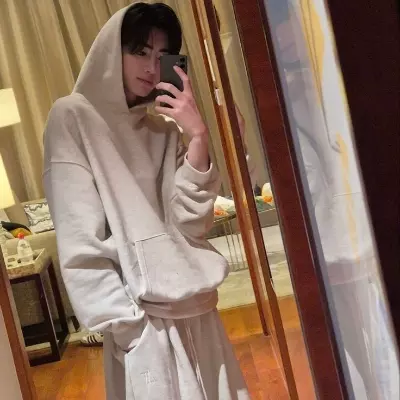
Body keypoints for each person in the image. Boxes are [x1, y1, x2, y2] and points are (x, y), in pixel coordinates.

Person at [43, 2, 249, 399]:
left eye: (162, 56)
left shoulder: (164, 129)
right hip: (144, 324)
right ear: (112, 51)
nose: (152, 68)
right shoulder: (72, 117)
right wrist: (125, 327)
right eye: (140, 52)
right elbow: (79, 237)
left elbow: (192, 224)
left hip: (199, 309)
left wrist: (198, 137)